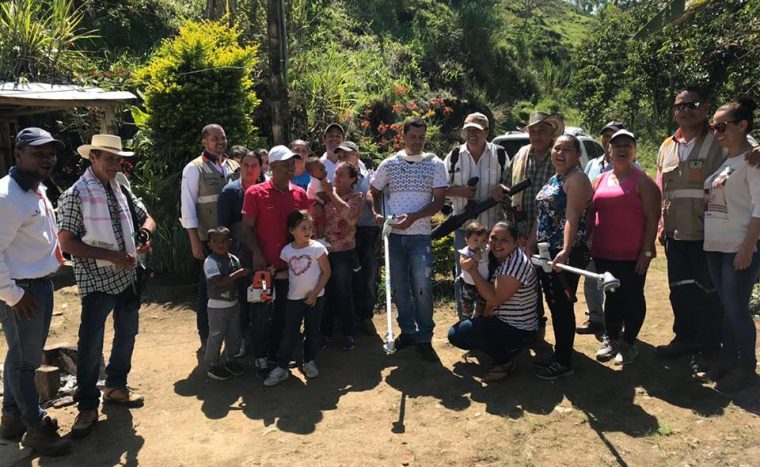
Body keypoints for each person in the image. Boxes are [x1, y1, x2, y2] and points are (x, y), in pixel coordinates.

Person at [58, 134, 156, 438]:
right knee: (90, 343)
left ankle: (115, 386)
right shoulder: (76, 195)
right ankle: (87, 405)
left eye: (118, 159)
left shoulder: (121, 187)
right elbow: (66, 242)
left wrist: (142, 235)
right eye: (108, 158)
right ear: (93, 158)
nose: (115, 164)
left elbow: (148, 219)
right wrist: (112, 256)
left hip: (127, 276)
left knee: (127, 333)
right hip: (97, 281)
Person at [0, 128, 70, 456]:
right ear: (18, 155)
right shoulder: (7, 197)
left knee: (19, 357)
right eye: (38, 152)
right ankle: (35, 426)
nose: (48, 158)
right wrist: (13, 296)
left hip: (38, 286)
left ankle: (12, 418)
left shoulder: (35, 188)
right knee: (25, 364)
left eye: (51, 153)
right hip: (23, 292)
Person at [654, 88, 726, 361]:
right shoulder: (666, 146)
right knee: (681, 290)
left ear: (705, 108)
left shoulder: (718, 139)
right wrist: (661, 225)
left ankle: (710, 347)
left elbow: (746, 149)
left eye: (692, 104)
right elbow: (662, 189)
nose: (685, 110)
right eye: (680, 106)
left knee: (709, 292)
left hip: (708, 234)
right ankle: (684, 338)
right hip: (675, 234)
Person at [370, 117, 448, 362]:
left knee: (422, 286)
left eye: (421, 137)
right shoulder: (389, 164)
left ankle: (425, 337)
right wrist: (375, 213)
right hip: (393, 236)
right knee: (400, 286)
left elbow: (438, 202)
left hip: (420, 237)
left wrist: (413, 217)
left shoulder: (435, 163)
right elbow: (372, 190)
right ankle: (408, 332)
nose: (417, 141)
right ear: (403, 136)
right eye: (413, 136)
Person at [701, 98, 760, 392]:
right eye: (713, 127)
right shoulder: (729, 161)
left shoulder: (754, 161)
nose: (716, 132)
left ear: (742, 125)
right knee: (726, 305)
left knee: (736, 307)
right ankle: (727, 357)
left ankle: (746, 365)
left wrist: (748, 247)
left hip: (738, 244)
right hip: (716, 245)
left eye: (722, 126)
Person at [588, 130, 661, 366]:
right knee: (612, 297)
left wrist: (647, 252)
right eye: (616, 145)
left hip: (632, 255)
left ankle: (629, 343)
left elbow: (652, 218)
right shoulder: (599, 180)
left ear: (634, 151)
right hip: (603, 252)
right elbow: (590, 214)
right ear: (608, 151)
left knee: (632, 298)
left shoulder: (643, 181)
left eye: (627, 145)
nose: (621, 149)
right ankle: (611, 339)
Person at [241, 145, 311, 377]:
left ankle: (277, 356)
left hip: (291, 268)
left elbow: (304, 230)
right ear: (272, 166)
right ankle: (260, 358)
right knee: (260, 313)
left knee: (285, 312)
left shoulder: (300, 194)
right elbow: (247, 228)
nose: (291, 167)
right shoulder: (255, 193)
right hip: (262, 268)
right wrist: (257, 253)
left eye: (293, 163)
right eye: (286, 164)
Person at [532, 135, 592, 380]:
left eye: (567, 149)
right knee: (554, 302)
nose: (560, 153)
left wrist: (565, 251)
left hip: (564, 253)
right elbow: (543, 215)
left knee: (562, 305)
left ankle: (564, 361)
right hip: (547, 251)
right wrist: (530, 242)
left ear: (578, 155)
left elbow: (572, 217)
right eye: (556, 148)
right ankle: (561, 353)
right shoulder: (557, 177)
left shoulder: (576, 178)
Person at [448, 221, 538, 381]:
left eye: (504, 240)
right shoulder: (494, 252)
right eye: (493, 238)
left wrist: (472, 271)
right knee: (456, 334)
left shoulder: (516, 264)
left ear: (516, 242)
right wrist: (464, 261)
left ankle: (506, 360)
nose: (497, 244)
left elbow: (494, 299)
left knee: (466, 331)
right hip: (499, 319)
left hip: (518, 328)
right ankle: (502, 347)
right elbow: (468, 251)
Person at [443, 112, 509, 321]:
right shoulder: (453, 157)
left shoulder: (499, 155)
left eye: (477, 130)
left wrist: (502, 191)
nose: (472, 134)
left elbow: (509, 186)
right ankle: (465, 321)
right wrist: (459, 191)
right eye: (469, 130)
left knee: (493, 274)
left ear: (487, 132)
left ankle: (489, 318)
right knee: (463, 275)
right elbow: (439, 190)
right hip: (464, 232)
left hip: (492, 231)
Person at [180, 124, 239, 351]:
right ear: (204, 141)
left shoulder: (233, 165)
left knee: (232, 285)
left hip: (232, 239)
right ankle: (206, 337)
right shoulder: (194, 168)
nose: (220, 142)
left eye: (223, 137)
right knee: (208, 290)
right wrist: (194, 240)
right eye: (215, 138)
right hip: (208, 240)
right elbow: (187, 207)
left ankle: (232, 336)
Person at [265, 211, 330, 387]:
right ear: (292, 230)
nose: (308, 231)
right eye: (304, 228)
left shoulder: (317, 248)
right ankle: (282, 367)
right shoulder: (286, 251)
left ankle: (309, 362)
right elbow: (292, 272)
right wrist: (275, 274)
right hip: (294, 299)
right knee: (290, 333)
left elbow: (326, 272)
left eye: (310, 227)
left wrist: (315, 293)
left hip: (316, 298)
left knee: (312, 331)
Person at [578, 121, 625, 335]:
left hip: (617, 231)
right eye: (606, 136)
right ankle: (596, 318)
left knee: (615, 278)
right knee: (591, 276)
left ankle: (616, 322)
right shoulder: (593, 165)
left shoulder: (631, 166)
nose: (608, 140)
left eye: (613, 137)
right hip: (593, 229)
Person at [218, 149, 262, 356]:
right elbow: (222, 228)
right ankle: (240, 339)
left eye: (254, 165)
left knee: (261, 297)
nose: (249, 169)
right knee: (241, 299)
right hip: (238, 254)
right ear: (240, 166)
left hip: (262, 253)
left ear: (261, 168)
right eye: (246, 165)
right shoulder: (230, 191)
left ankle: (260, 338)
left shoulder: (265, 190)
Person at [335, 141, 381, 336]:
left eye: (347, 154)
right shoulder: (336, 174)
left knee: (368, 275)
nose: (342, 157)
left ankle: (365, 316)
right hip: (344, 233)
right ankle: (346, 317)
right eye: (340, 155)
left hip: (366, 230)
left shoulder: (370, 177)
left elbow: (374, 196)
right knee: (345, 275)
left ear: (357, 155)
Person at [317, 162, 364, 350]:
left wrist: (331, 193)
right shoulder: (323, 196)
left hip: (343, 253)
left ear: (353, 179)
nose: (336, 177)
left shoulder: (356, 197)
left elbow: (349, 216)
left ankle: (349, 333)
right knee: (324, 294)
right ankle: (324, 332)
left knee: (343, 293)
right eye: (335, 173)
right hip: (323, 253)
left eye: (342, 174)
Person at [202, 226, 248, 381]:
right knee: (216, 337)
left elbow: (242, 277)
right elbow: (219, 282)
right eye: (215, 241)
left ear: (230, 242)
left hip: (233, 304)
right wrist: (239, 273)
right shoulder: (210, 262)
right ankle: (213, 365)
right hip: (217, 307)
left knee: (234, 335)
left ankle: (231, 360)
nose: (220, 244)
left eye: (223, 241)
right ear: (209, 244)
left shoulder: (234, 259)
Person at [456, 221, 489, 321]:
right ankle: (465, 319)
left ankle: (477, 319)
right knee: (467, 304)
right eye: (475, 240)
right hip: (469, 284)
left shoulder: (486, 250)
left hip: (483, 283)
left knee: (481, 304)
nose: (479, 243)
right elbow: (463, 265)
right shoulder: (466, 252)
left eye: (483, 240)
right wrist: (473, 259)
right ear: (467, 241)